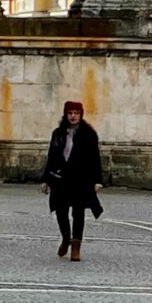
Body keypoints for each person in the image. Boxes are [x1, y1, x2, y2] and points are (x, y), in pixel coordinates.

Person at [43, 99, 103, 260]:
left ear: (81, 114)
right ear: (65, 114)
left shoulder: (88, 134)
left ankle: (76, 246)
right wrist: (46, 180)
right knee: (61, 210)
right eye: (70, 113)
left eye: (76, 113)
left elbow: (95, 158)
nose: (73, 116)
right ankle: (66, 237)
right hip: (61, 178)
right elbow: (52, 156)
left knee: (78, 212)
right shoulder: (58, 133)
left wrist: (97, 180)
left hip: (81, 179)